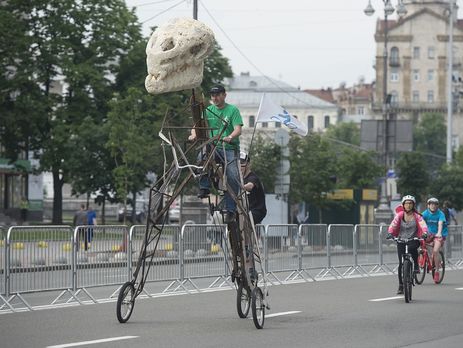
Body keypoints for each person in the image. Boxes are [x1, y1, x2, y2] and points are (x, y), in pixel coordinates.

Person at [189, 84, 243, 223]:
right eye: (213, 95)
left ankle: (231, 209)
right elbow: (197, 125)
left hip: (229, 148)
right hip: (213, 146)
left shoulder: (232, 110)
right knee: (202, 158)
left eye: (218, 95)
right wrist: (194, 134)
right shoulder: (208, 110)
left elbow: (238, 129)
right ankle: (204, 187)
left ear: (224, 95)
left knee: (232, 174)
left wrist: (230, 137)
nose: (215, 98)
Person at [387, 195, 428, 295]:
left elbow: (423, 225)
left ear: (413, 205)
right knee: (401, 264)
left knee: (412, 248)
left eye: (410, 203)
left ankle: (416, 265)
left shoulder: (417, 216)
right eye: (406, 203)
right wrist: (390, 233)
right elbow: (393, 224)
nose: (408, 205)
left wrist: (425, 233)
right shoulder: (400, 215)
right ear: (403, 205)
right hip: (401, 239)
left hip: (414, 239)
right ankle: (401, 285)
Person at [422, 197, 447, 282]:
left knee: (435, 251)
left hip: (439, 235)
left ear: (437, 206)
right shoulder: (425, 213)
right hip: (429, 234)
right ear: (428, 205)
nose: (433, 206)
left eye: (435, 204)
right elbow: (420, 222)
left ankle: (436, 271)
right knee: (418, 243)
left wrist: (439, 233)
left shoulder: (440, 214)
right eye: (431, 204)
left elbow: (440, 224)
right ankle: (421, 260)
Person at [239, 151, 267, 225]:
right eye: (238, 164)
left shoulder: (253, 177)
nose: (240, 167)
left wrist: (241, 187)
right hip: (244, 210)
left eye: (242, 164)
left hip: (257, 210)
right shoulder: (238, 178)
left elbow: (250, 185)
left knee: (244, 218)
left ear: (248, 164)